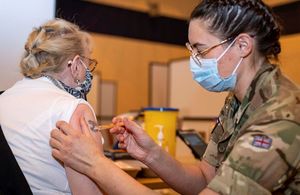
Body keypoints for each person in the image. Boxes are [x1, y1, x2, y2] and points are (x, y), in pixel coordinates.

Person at [50, 1, 300, 195]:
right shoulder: (237, 101)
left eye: (201, 50)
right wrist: (151, 154)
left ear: (242, 46)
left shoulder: (278, 117)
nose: (195, 60)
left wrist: (94, 163)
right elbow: (205, 179)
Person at [0, 18, 104, 194]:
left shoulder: (4, 98)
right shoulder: (74, 109)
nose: (88, 72)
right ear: (76, 64)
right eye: (88, 64)